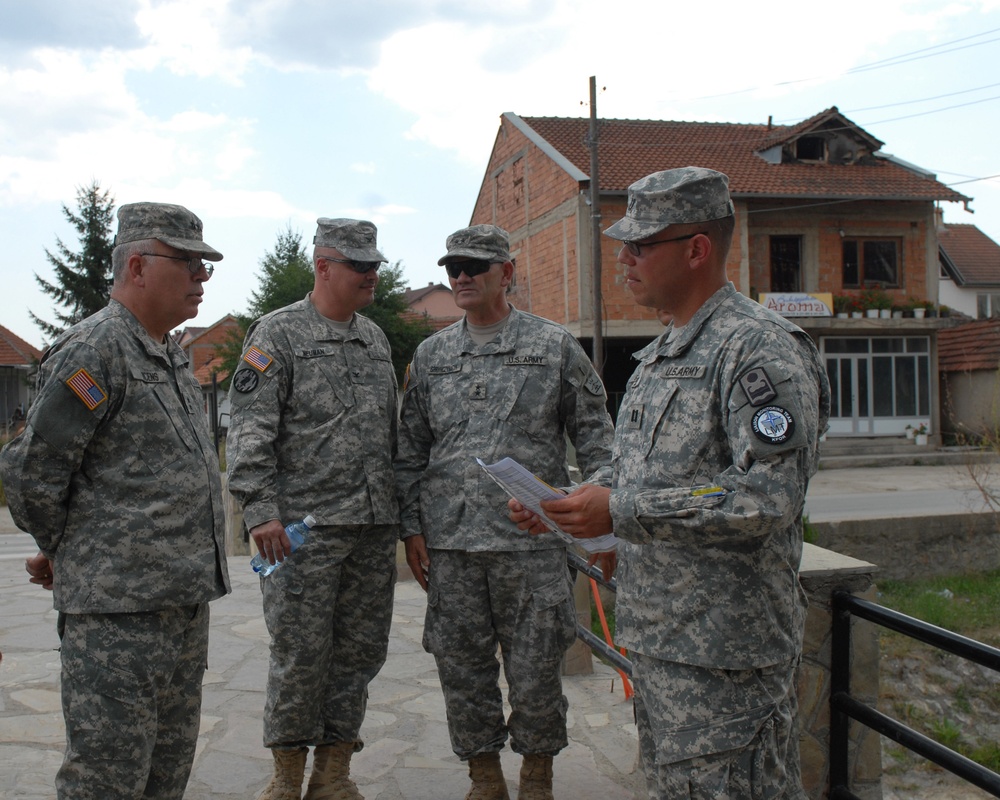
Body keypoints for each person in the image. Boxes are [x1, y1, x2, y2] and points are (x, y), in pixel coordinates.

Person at [510, 167, 832, 799]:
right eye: (621, 244)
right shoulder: (662, 356)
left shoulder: (757, 349)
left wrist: (620, 510)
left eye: (640, 245)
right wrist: (568, 505)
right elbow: (633, 472)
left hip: (725, 659)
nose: (623, 260)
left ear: (696, 248)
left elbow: (765, 497)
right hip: (661, 645)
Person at [0, 202, 231, 800]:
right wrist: (68, 549)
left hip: (179, 602)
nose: (202, 280)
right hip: (118, 612)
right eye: (189, 264)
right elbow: (31, 474)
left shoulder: (168, 352)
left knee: (165, 773)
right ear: (138, 264)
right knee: (106, 778)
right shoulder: (95, 350)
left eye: (206, 268)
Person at [393, 224, 615, 800]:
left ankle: (536, 778)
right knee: (461, 670)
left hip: (533, 545)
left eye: (474, 267)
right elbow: (411, 450)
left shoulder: (553, 346)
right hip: (453, 547)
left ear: (507, 274)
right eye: (452, 269)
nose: (461, 278)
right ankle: (484, 779)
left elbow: (597, 440)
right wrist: (413, 529)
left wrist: (596, 511)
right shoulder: (432, 354)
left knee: (538, 671)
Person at [226, 218, 400, 800]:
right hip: (300, 532)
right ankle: (285, 777)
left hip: (372, 528)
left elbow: (390, 431)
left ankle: (333, 774)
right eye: (359, 266)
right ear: (323, 265)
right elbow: (250, 431)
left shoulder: (374, 339)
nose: (371, 275)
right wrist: (260, 512)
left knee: (359, 655)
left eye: (375, 265)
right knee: (300, 654)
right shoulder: (276, 335)